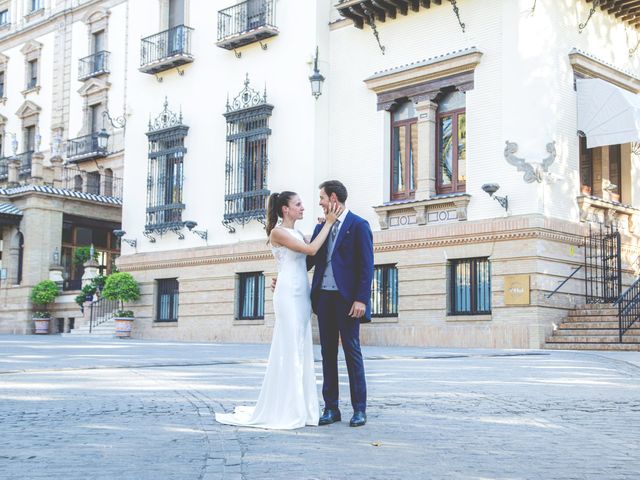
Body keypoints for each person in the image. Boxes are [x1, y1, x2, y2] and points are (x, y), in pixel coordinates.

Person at [215, 191, 342, 430]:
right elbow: (312, 250)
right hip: (287, 294)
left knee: (301, 346)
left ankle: (302, 408)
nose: (303, 207)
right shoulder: (277, 232)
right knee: (290, 347)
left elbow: (308, 255)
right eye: (298, 204)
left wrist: (325, 227)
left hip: (301, 293)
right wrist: (328, 223)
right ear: (285, 209)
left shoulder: (296, 233)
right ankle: (288, 409)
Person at [307, 180, 374, 428]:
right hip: (324, 299)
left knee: (352, 352)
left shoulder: (358, 225)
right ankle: (331, 408)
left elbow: (367, 267)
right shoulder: (321, 227)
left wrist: (361, 299)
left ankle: (359, 409)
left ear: (333, 198)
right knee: (327, 354)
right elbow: (308, 261)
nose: (321, 203)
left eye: (322, 198)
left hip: (348, 301)